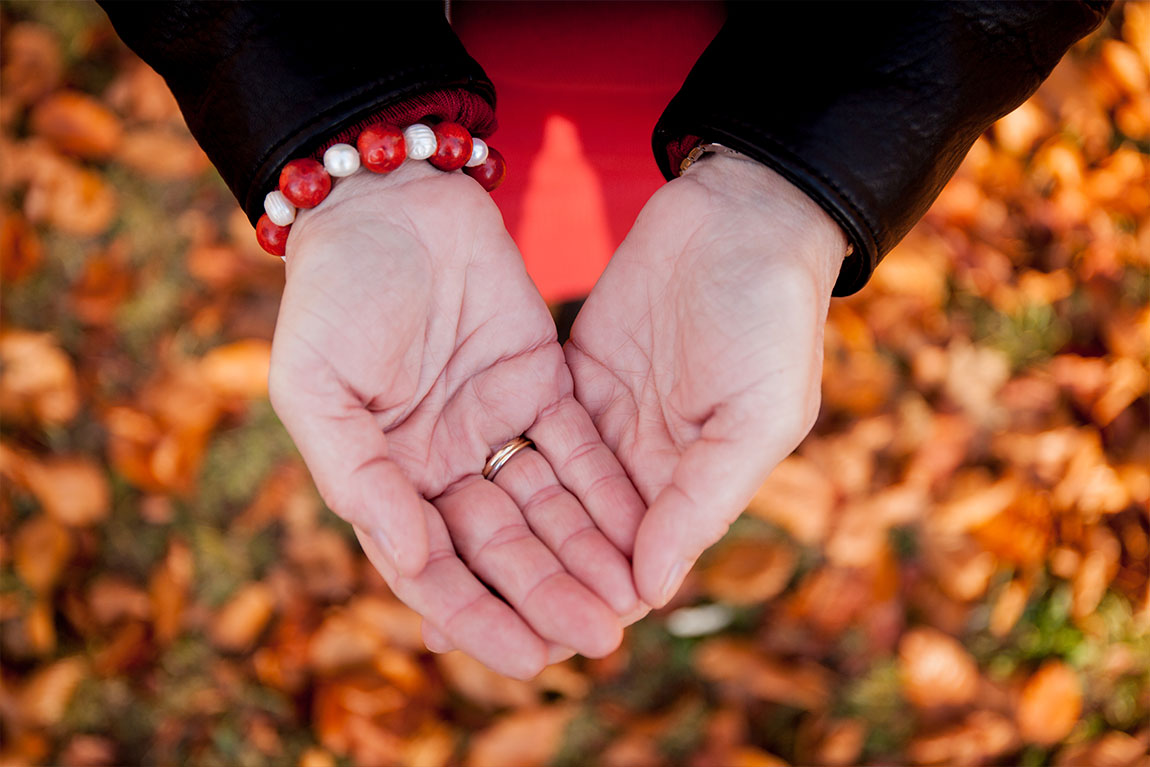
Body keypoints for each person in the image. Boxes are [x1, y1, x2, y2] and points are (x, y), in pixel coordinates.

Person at [100, 0, 1111, 679]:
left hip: (777, 44)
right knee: (523, 225)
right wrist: (347, 140)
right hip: (422, 42)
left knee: (610, 222)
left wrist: (793, 176)